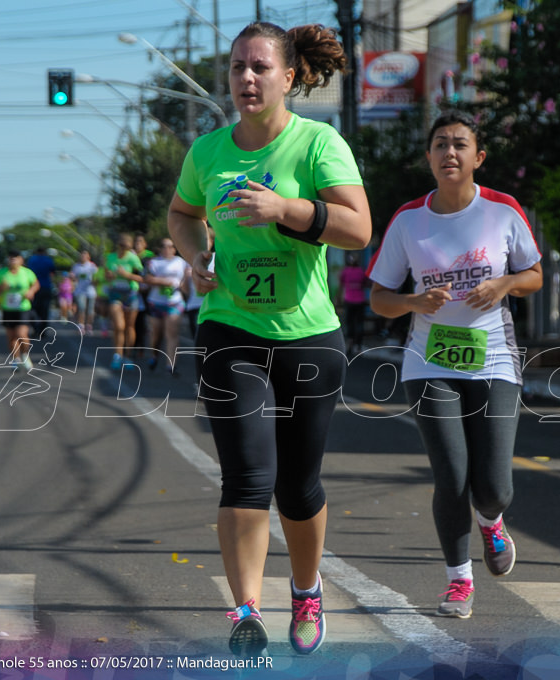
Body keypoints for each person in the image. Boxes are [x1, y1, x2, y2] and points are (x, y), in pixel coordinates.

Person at [168, 21, 371, 656]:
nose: (246, 79)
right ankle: (246, 611)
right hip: (230, 327)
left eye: (259, 68)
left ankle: (307, 591)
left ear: (288, 77)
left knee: (298, 484)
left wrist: (287, 210)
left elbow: (358, 229)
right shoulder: (207, 152)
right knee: (247, 475)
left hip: (308, 335)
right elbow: (181, 211)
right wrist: (194, 252)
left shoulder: (318, 144)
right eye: (236, 68)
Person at [368, 111, 543, 618]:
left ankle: (492, 521)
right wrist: (412, 303)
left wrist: (504, 285)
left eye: (460, 144)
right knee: (451, 476)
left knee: (494, 487)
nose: (450, 152)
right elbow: (380, 297)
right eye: (440, 144)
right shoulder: (408, 220)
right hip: (430, 360)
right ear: (428, 157)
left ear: (477, 157)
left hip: (493, 358)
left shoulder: (503, 211)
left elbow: (532, 273)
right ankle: (458, 581)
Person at [144, 238, 191, 373]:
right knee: (156, 334)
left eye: (171, 246)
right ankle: (154, 355)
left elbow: (184, 283)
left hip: (175, 302)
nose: (167, 249)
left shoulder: (180, 262)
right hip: (156, 302)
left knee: (172, 333)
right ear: (160, 248)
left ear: (174, 249)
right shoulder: (154, 262)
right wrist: (166, 282)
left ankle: (171, 364)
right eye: (164, 246)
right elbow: (147, 279)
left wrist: (184, 286)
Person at [0, 250, 40, 371]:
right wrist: (2, 287)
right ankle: (15, 359)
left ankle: (25, 355)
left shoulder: (27, 272)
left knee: (21, 335)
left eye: (15, 257)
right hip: (8, 308)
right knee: (11, 337)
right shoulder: (2, 273)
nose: (13, 260)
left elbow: (36, 284)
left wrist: (31, 291)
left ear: (21, 260)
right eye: (11, 257)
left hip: (23, 308)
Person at [104, 233, 144, 370]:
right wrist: (110, 275)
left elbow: (141, 278)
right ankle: (117, 354)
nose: (123, 249)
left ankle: (127, 355)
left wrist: (126, 275)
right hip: (115, 292)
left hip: (131, 293)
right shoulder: (110, 257)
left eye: (126, 247)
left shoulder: (133, 258)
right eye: (122, 246)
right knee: (119, 325)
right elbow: (106, 275)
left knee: (129, 326)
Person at [338, 253, 368, 356]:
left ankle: (350, 343)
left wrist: (338, 299)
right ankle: (358, 345)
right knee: (359, 323)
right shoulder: (361, 271)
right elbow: (366, 283)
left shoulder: (345, 272)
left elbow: (341, 285)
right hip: (360, 301)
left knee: (349, 323)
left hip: (349, 300)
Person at [24, 246, 56, 334]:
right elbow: (53, 272)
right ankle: (43, 330)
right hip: (46, 287)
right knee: (45, 310)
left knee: (32, 309)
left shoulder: (32, 260)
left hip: (33, 288)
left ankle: (35, 328)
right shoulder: (48, 260)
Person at [71, 250, 98, 334]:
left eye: (84, 255)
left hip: (91, 291)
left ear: (88, 257)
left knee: (90, 310)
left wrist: (94, 281)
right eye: (81, 255)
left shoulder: (92, 266)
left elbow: (97, 277)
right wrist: (72, 277)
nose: (82, 257)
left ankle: (89, 325)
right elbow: (73, 277)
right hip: (80, 291)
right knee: (81, 308)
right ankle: (81, 325)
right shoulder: (76, 266)